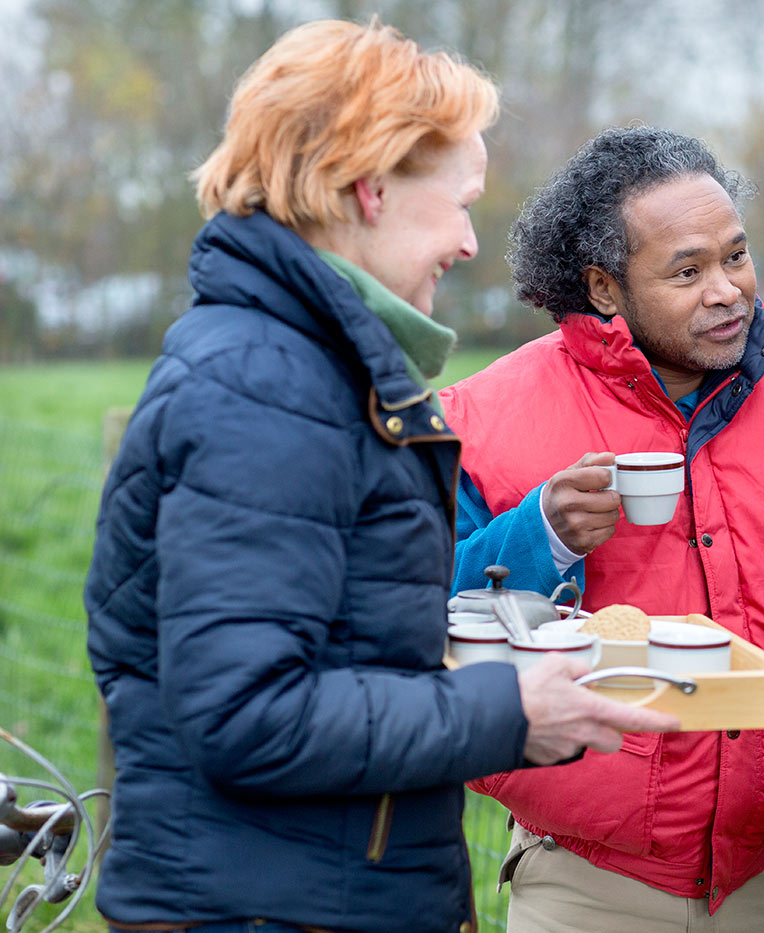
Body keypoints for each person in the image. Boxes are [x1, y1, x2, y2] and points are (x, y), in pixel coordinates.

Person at [83, 20, 675, 933]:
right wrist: (505, 709)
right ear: (370, 188)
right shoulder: (267, 389)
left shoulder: (304, 368)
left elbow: (331, 646)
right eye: (460, 201)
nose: (472, 242)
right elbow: (249, 713)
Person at [438, 126, 764, 931]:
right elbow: (428, 614)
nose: (727, 290)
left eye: (735, 257)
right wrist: (542, 532)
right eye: (687, 270)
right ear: (604, 287)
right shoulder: (487, 416)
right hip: (585, 879)